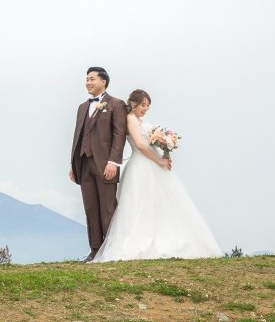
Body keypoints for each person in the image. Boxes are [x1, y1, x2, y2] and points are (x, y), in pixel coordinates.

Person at [92, 89, 223, 262]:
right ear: (133, 104)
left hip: (151, 164)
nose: (145, 109)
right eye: (143, 105)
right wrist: (158, 160)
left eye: (148, 105)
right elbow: (139, 144)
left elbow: (150, 139)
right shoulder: (130, 119)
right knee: (140, 205)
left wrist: (165, 148)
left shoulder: (140, 119)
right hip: (140, 166)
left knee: (161, 203)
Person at [69, 67, 127, 263]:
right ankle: (94, 250)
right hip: (84, 163)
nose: (88, 82)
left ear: (103, 82)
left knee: (108, 208)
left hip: (106, 164)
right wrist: (73, 164)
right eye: (86, 79)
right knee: (90, 208)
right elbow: (78, 135)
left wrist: (113, 162)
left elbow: (119, 136)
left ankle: (112, 250)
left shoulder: (116, 104)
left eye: (92, 79)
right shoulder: (82, 107)